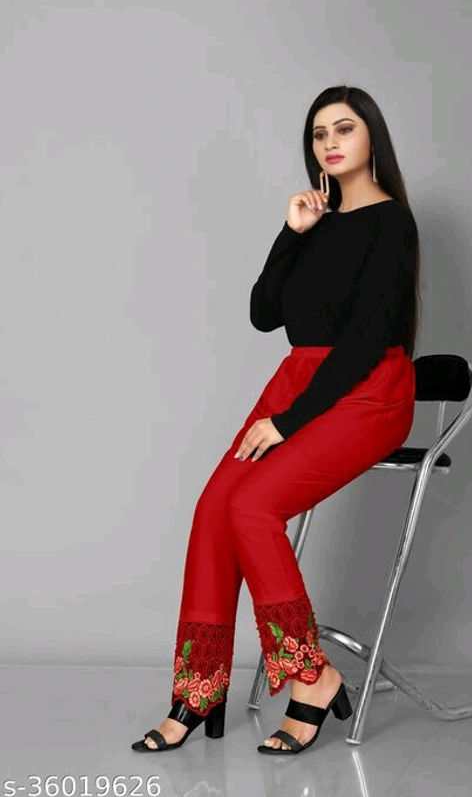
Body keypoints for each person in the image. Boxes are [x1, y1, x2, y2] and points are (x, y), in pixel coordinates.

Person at [131, 85, 421, 756]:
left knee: (253, 506)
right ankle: (199, 688)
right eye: (319, 133)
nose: (330, 142)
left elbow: (365, 339)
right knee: (214, 508)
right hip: (301, 381)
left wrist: (289, 422)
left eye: (344, 128)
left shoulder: (392, 224)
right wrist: (291, 234)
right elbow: (265, 313)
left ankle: (311, 677)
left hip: (368, 389)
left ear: (372, 137)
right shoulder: (317, 222)